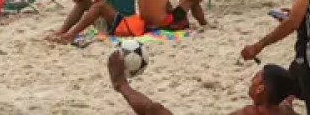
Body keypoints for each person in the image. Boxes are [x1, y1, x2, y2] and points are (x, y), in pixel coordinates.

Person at [108, 50, 299, 115]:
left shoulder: (250, 113)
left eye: (256, 77)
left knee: (155, 110)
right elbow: (286, 101)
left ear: (260, 89)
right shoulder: (284, 109)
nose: (251, 79)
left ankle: (121, 84)